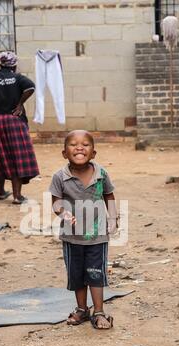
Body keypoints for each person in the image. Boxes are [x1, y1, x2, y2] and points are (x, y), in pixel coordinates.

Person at [49, 130, 118, 329]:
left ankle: (99, 312)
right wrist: (63, 214)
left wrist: (113, 218)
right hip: (72, 238)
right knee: (77, 275)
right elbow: (56, 202)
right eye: (73, 144)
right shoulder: (60, 177)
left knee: (96, 273)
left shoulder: (101, 174)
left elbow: (109, 195)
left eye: (85, 144)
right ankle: (81, 309)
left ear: (93, 153)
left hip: (97, 236)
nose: (79, 147)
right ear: (64, 153)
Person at [0, 51, 40, 204]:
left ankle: (0, 192)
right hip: (13, 121)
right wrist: (19, 104)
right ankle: (17, 196)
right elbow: (31, 87)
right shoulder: (18, 78)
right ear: (14, 65)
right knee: (16, 156)